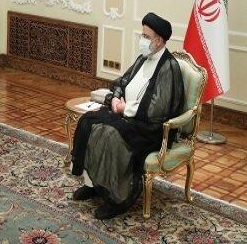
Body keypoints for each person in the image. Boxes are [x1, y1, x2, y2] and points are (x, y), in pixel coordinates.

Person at [70, 12, 184, 219]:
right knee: (88, 122)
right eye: (142, 35)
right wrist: (115, 98)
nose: (142, 40)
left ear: (159, 41)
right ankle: (92, 184)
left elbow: (157, 109)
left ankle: (116, 198)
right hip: (127, 116)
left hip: (149, 128)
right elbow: (122, 81)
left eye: (146, 36)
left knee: (109, 135)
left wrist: (125, 109)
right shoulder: (143, 59)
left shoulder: (169, 67)